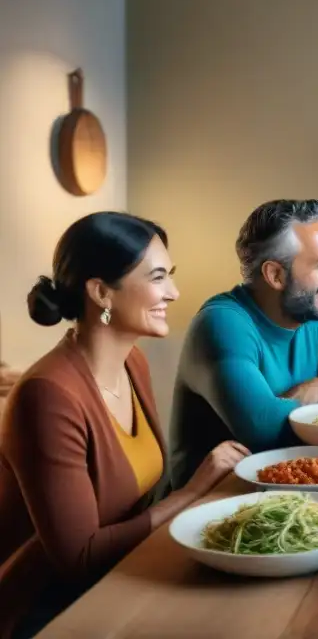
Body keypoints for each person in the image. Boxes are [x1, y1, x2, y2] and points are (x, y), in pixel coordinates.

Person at [0, 213, 247, 638]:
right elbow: (78, 558)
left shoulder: (133, 363)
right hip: (48, 610)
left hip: (123, 574)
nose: (173, 292)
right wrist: (193, 491)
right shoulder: (47, 397)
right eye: (157, 277)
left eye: (170, 275)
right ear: (101, 292)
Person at [169, 199, 318, 489]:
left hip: (288, 487)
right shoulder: (222, 322)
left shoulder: (313, 317)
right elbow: (266, 429)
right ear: (276, 275)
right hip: (215, 502)